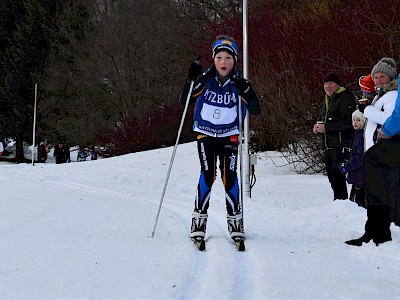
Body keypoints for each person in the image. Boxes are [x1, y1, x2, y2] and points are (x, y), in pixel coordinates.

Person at [180, 35, 261, 249]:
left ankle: (235, 222)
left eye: (227, 58)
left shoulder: (238, 83)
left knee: (230, 176)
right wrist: (190, 78)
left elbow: (256, 110)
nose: (223, 62)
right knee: (208, 174)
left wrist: (247, 91)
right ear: (213, 60)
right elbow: (184, 100)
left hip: (230, 136)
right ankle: (198, 221)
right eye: (219, 57)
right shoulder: (205, 79)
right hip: (206, 134)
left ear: (234, 60)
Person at [346, 58, 398, 246]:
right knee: (375, 194)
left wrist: (367, 110)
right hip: (375, 151)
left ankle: (378, 233)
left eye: (382, 76)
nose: (378, 80)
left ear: (391, 77)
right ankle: (375, 231)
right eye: (375, 77)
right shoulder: (380, 96)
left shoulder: (392, 95)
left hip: (382, 152)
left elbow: (391, 120)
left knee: (378, 193)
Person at [313, 72, 357, 200]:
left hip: (341, 146)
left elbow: (349, 122)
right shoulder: (327, 101)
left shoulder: (345, 98)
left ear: (337, 85)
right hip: (329, 146)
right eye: (325, 84)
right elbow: (323, 120)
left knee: (338, 178)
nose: (328, 86)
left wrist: (326, 128)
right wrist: (317, 127)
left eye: (331, 83)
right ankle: (338, 203)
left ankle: (342, 204)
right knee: (332, 178)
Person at [338, 110, 366, 207]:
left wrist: (347, 166)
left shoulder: (362, 137)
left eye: (358, 120)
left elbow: (359, 157)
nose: (355, 122)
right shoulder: (357, 134)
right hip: (357, 176)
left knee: (358, 203)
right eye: (353, 120)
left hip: (360, 176)